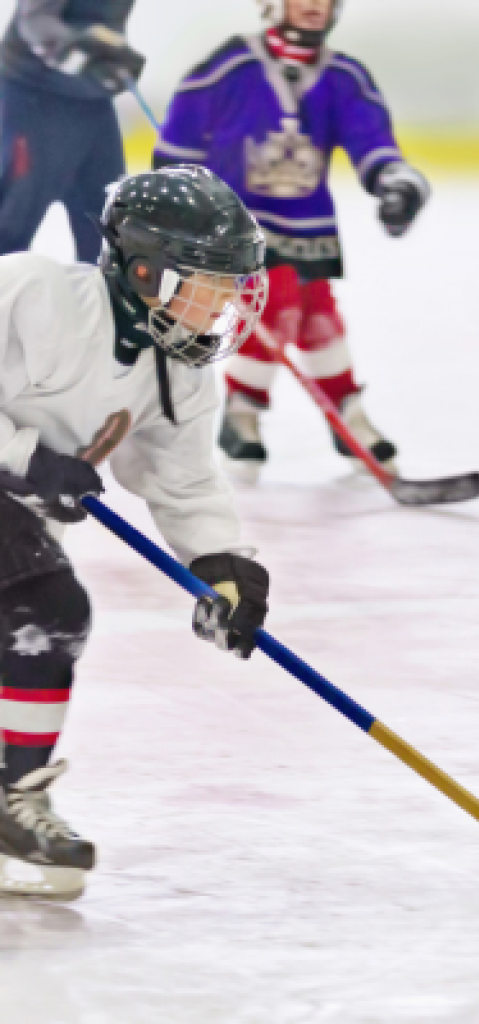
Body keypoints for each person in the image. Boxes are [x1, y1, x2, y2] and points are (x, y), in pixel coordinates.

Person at [0, 166, 272, 901]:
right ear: (144, 268)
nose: (222, 305)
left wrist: (220, 561)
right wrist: (26, 457)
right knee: (42, 609)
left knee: (42, 616)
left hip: (13, 506)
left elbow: (182, 480)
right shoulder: (34, 292)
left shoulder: (177, 367)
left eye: (231, 286)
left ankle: (11, 796)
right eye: (208, 282)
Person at [153, 0, 432, 479]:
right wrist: (178, 197)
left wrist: (395, 183)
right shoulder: (231, 65)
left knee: (317, 312)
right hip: (238, 222)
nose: (313, 6)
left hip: (308, 225)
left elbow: (372, 139)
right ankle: (245, 410)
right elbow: (180, 139)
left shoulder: (343, 76)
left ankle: (345, 409)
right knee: (274, 301)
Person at [0, 0, 145, 263]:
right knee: (12, 225)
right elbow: (35, 20)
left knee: (110, 229)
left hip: (91, 99)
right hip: (36, 96)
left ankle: (103, 303)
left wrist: (114, 58)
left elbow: (99, 24)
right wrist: (76, 53)